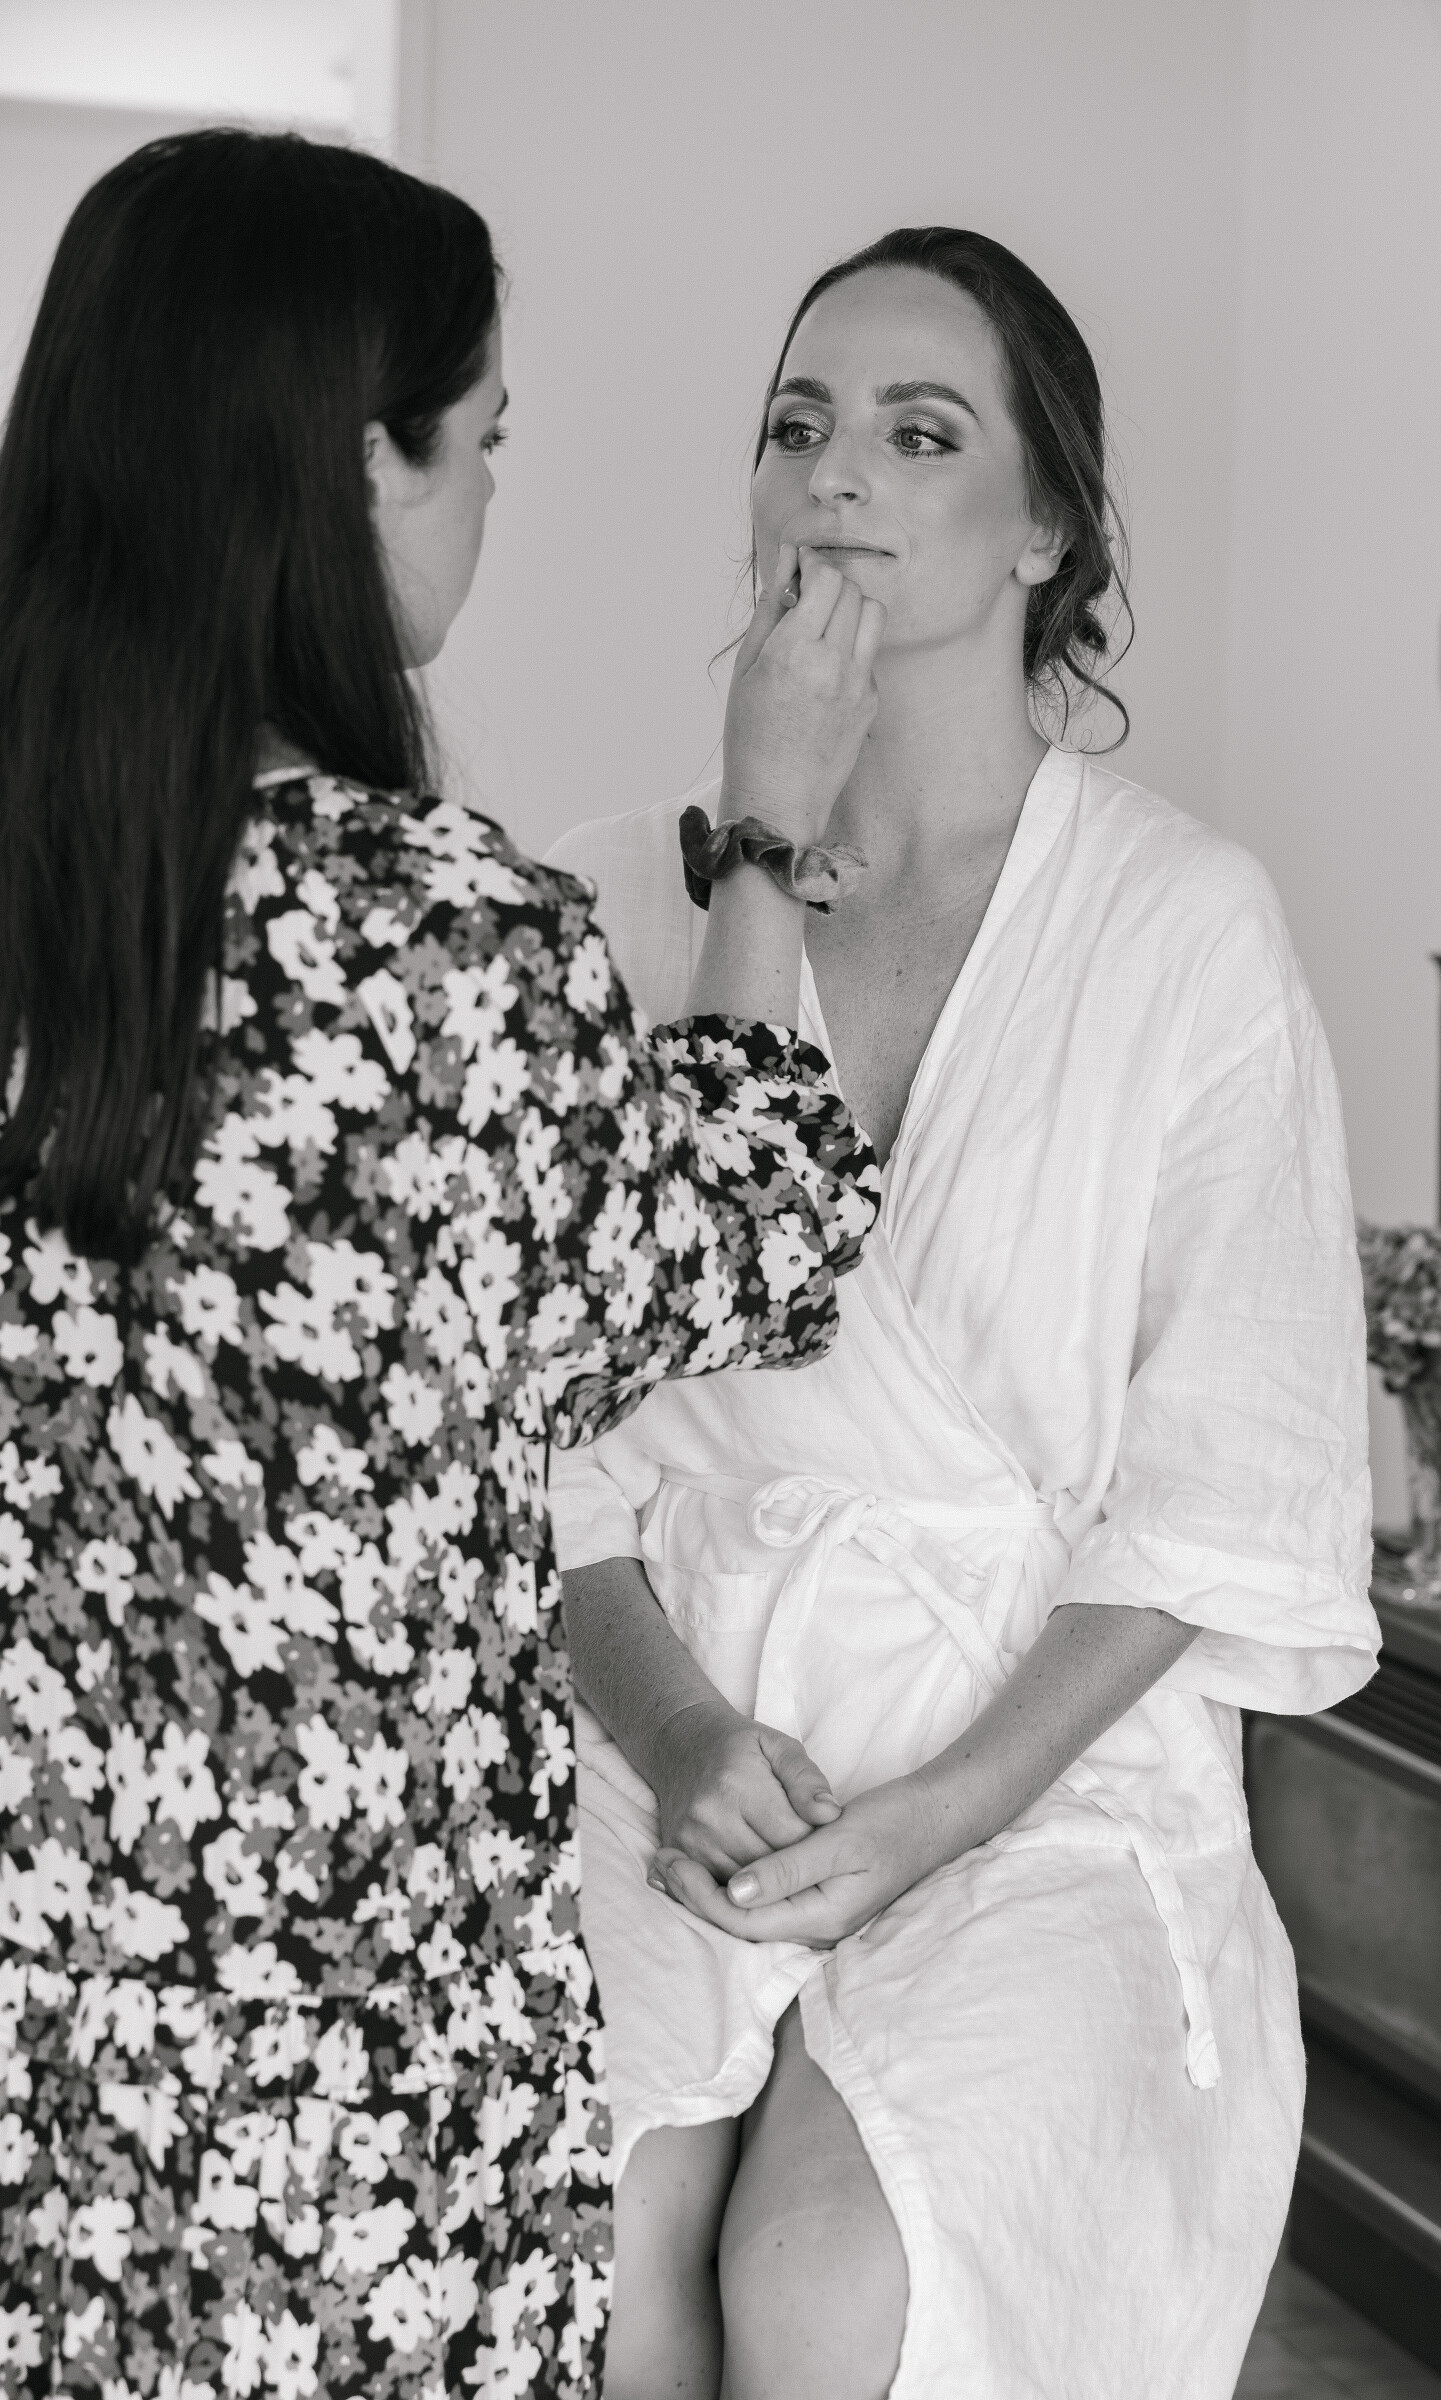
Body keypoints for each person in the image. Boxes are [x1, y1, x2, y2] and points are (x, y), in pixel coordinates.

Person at [0, 131, 886, 2399]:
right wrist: (766, 827)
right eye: (481, 440)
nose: (490, 494)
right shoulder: (439, 945)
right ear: (355, 469)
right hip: (356, 2071)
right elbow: (750, 1244)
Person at [549, 226, 1381, 2400]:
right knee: (585, 2231)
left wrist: (934, 1815)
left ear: (1044, 532)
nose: (837, 473)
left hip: (1040, 1763)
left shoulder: (1183, 930)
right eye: (796, 425)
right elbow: (528, 1445)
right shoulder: (606, 902)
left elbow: (1226, 1485)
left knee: (832, 2279)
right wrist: (681, 1736)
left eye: (921, 434)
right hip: (664, 1729)